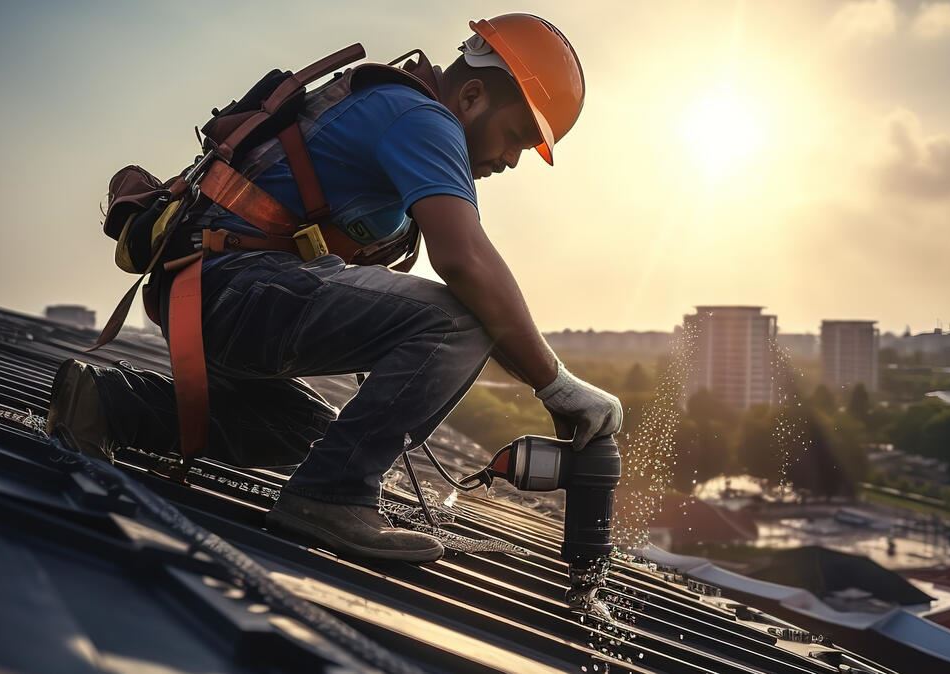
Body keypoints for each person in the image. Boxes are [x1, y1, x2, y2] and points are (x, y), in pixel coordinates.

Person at [47, 13, 622, 563]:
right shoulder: (421, 120)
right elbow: (464, 261)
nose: (513, 160)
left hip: (215, 299)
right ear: (472, 97)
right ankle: (332, 498)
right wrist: (555, 383)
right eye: (517, 135)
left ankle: (108, 404)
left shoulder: (397, 112)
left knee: (316, 436)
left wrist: (546, 385)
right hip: (235, 292)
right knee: (460, 319)